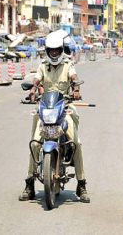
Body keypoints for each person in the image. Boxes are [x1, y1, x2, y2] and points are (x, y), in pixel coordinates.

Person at [19, 31, 90, 203]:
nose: (54, 54)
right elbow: (36, 80)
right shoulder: (43, 65)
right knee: (35, 143)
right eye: (51, 51)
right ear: (47, 51)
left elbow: (74, 77)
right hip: (46, 108)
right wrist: (33, 90)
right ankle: (29, 184)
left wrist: (76, 90)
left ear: (61, 50)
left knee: (75, 142)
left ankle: (81, 184)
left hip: (64, 106)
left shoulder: (68, 64)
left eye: (57, 50)